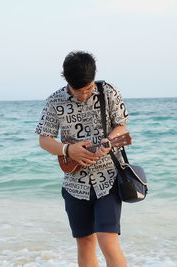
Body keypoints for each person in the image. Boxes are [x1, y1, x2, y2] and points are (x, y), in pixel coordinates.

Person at [35, 51, 129, 267]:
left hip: (108, 179)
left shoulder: (108, 92)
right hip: (74, 183)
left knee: (108, 239)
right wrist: (68, 150)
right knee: (85, 242)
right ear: (66, 80)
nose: (84, 95)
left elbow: (122, 127)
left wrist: (109, 141)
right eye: (78, 92)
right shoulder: (54, 101)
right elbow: (44, 140)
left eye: (88, 90)